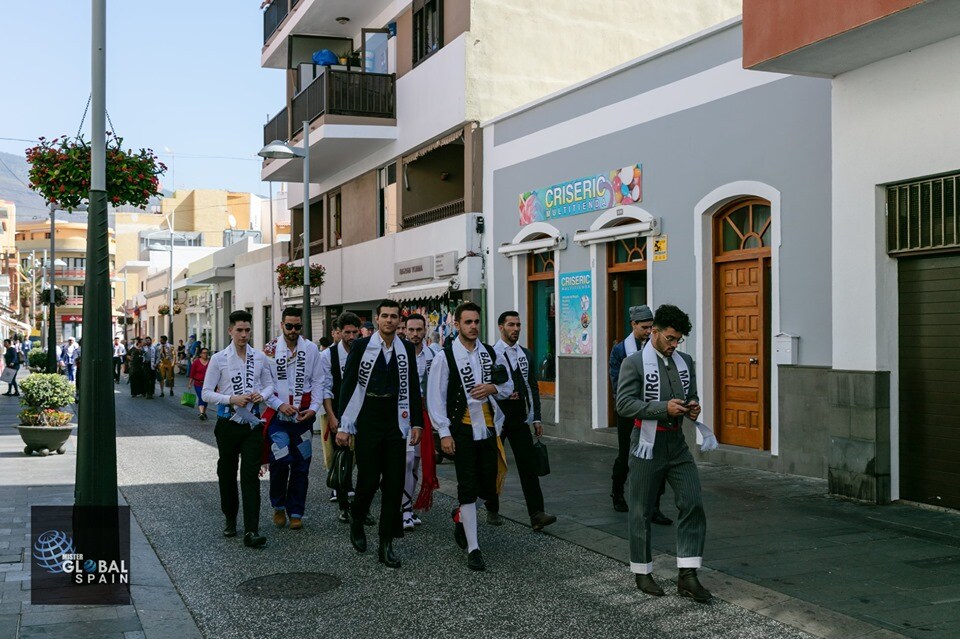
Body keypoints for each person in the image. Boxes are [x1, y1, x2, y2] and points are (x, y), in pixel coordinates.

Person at [616, 304, 718, 602]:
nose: (675, 345)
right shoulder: (633, 363)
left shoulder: (685, 360)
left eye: (678, 340)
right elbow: (623, 405)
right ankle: (642, 572)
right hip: (646, 443)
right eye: (671, 338)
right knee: (641, 509)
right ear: (655, 332)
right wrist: (663, 408)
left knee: (693, 502)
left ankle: (687, 575)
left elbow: (692, 394)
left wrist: (693, 405)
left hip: (677, 443)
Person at [336, 300, 423, 569]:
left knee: (395, 483)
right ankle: (358, 519)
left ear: (399, 321)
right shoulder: (362, 346)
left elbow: (413, 385)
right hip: (368, 415)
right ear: (376, 319)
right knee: (368, 481)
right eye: (384, 316)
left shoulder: (406, 348)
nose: (389, 320)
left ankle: (386, 543)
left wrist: (417, 423)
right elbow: (348, 384)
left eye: (393, 317)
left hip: (396, 416)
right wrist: (344, 426)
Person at [426, 302, 513, 571]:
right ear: (458, 325)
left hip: (488, 430)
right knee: (467, 487)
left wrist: (492, 388)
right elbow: (435, 398)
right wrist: (444, 433)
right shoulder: (445, 356)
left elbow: (508, 386)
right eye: (468, 322)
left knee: (487, 487)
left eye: (476, 322)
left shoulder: (489, 353)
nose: (473, 326)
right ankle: (474, 548)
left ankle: (460, 516)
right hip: (461, 431)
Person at [202, 310, 274, 549]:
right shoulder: (219, 358)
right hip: (228, 424)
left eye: (247, 330)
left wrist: (260, 395)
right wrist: (231, 399)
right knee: (227, 472)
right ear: (230, 331)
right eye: (239, 330)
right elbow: (206, 393)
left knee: (250, 476)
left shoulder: (259, 357)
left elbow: (269, 385)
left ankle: (252, 529)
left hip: (253, 425)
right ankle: (230, 518)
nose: (244, 335)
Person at [488, 311, 557, 532]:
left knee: (528, 464)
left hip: (518, 414)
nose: (516, 329)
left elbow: (532, 387)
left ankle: (537, 514)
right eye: (511, 325)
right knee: (493, 462)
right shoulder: (490, 354)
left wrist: (536, 417)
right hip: (498, 413)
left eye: (518, 324)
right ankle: (492, 508)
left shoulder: (525, 354)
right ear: (501, 327)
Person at [263, 307, 324, 531]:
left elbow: (319, 381)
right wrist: (279, 404)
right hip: (279, 417)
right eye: (289, 326)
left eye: (297, 326)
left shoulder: (310, 349)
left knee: (301, 465)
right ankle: (278, 505)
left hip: (303, 418)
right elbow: (264, 385)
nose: (293, 330)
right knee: (280, 461)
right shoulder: (270, 349)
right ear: (282, 325)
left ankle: (296, 511)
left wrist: (315, 408)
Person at [608, 305, 670, 525]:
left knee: (657, 456)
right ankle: (617, 493)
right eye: (644, 327)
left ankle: (654, 506)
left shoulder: (657, 344)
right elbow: (618, 383)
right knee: (627, 455)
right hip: (630, 412)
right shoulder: (620, 350)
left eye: (651, 326)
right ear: (633, 324)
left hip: (655, 409)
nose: (648, 330)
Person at [321, 312, 362, 522]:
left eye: (355, 332)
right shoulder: (328, 355)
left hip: (363, 414)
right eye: (347, 332)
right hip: (338, 411)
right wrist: (332, 417)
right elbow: (326, 389)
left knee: (364, 460)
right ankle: (344, 506)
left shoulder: (365, 351)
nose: (352, 336)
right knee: (342, 460)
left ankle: (363, 508)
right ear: (340, 333)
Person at [400, 313, 433, 530]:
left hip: (423, 413)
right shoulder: (398, 352)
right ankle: (403, 508)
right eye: (411, 330)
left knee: (416, 464)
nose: (415, 334)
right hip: (402, 412)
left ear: (425, 330)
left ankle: (408, 507)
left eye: (419, 330)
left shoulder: (434, 354)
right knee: (407, 461)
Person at [189, 347, 211, 420]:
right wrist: (190, 383)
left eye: (207, 353)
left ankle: (203, 413)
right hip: (198, 383)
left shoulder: (210, 362)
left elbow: (214, 373)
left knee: (206, 398)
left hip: (208, 384)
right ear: (200, 354)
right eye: (204, 353)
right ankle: (201, 413)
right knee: (201, 397)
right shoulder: (196, 362)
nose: (205, 354)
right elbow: (192, 373)